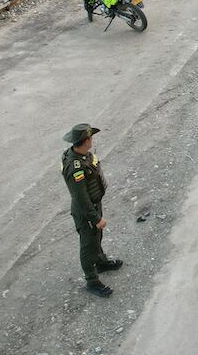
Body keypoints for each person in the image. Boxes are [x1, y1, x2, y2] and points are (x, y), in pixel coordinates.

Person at [61, 124, 122, 298]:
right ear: (87, 141)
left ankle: (100, 262)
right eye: (91, 138)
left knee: (96, 238)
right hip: (86, 211)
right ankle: (92, 280)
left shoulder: (82, 155)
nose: (92, 141)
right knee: (88, 246)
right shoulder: (75, 167)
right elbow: (80, 198)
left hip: (94, 205)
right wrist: (96, 219)